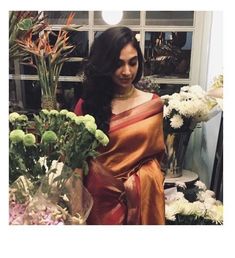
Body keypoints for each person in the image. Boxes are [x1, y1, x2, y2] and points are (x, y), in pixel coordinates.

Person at [74, 26, 165, 225]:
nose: (127, 72)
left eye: (133, 63)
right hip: (98, 205)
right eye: (118, 64)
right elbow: (75, 164)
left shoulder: (153, 105)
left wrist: (138, 183)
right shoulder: (87, 106)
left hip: (142, 204)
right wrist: (75, 214)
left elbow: (156, 160)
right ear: (104, 65)